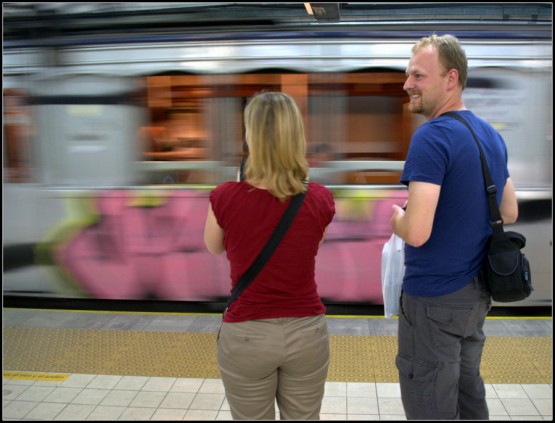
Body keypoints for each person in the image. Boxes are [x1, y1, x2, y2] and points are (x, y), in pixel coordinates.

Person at [390, 34, 518, 420]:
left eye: (417, 76)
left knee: (430, 401)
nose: (407, 84)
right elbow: (509, 211)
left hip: (433, 298)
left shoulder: (432, 136)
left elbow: (416, 232)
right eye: (408, 75)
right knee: (467, 394)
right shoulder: (489, 134)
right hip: (475, 294)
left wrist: (397, 219)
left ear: (451, 78)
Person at [204, 91, 335, 420]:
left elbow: (214, 246)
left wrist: (240, 187)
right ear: (296, 136)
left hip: (247, 334)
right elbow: (309, 245)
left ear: (250, 137)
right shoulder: (320, 199)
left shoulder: (223, 197)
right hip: (307, 332)